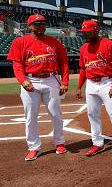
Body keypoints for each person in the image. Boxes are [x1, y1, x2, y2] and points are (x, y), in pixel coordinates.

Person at [7, 13, 69, 161]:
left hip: (51, 79)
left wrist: (65, 81)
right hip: (31, 80)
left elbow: (64, 63)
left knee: (56, 113)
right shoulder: (20, 42)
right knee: (30, 116)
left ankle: (59, 142)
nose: (41, 26)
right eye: (37, 23)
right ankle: (34, 147)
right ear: (30, 26)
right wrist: (22, 80)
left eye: (43, 23)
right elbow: (17, 64)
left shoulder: (55, 42)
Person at [76, 20, 112, 157]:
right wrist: (79, 87)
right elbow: (83, 68)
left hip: (106, 82)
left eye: (87, 32)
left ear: (96, 31)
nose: (85, 35)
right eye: (83, 33)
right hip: (91, 84)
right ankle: (97, 143)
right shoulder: (83, 48)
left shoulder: (108, 44)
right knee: (92, 114)